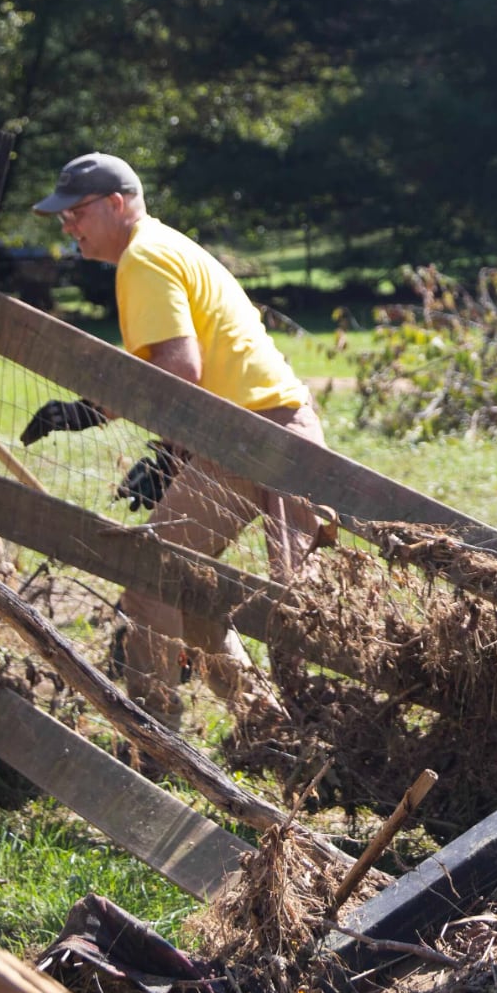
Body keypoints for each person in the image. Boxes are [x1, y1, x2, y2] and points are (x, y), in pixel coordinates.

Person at [25, 153, 323, 721]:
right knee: (202, 592)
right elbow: (194, 369)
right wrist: (161, 446)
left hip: (250, 435)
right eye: (62, 217)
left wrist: (97, 416)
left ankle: (154, 736)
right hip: (269, 427)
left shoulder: (143, 258)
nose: (68, 226)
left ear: (117, 203)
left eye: (77, 212)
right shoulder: (163, 246)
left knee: (152, 578)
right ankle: (269, 724)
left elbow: (178, 369)